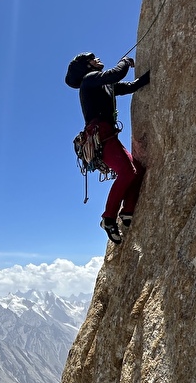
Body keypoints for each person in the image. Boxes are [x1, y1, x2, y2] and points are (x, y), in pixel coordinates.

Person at [65, 51, 151, 243]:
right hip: (101, 136)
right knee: (128, 172)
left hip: (106, 137)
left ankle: (127, 212)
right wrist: (125, 62)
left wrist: (155, 73)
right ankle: (108, 218)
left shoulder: (101, 85)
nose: (97, 59)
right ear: (87, 66)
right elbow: (116, 74)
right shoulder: (89, 80)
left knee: (136, 172)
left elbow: (131, 86)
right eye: (92, 59)